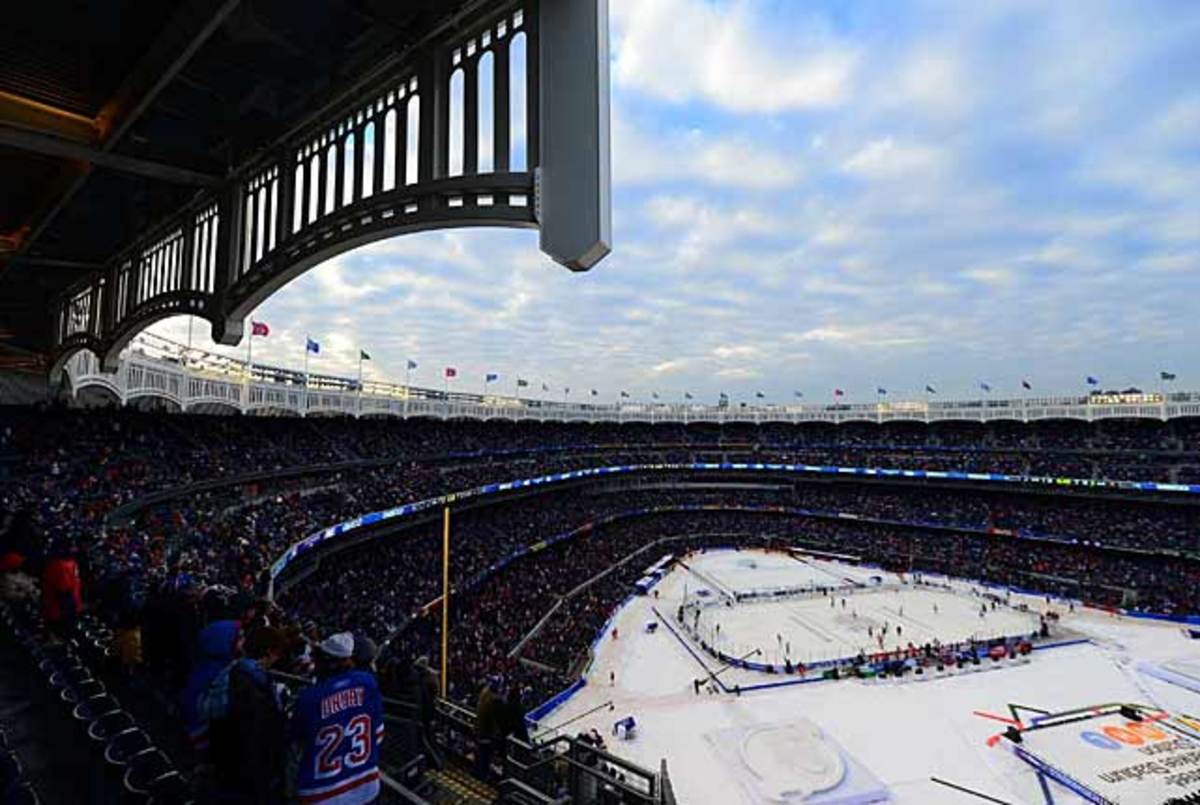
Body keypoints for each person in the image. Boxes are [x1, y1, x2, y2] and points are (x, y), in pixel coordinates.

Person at [292, 633, 385, 805]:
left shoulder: (309, 697)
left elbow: (297, 743)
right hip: (366, 788)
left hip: (319, 793)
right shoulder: (368, 682)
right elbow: (378, 737)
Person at [207, 626, 289, 803]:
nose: (277, 659)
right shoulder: (254, 683)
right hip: (245, 772)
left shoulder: (231, 671)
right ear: (269, 652)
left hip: (226, 765)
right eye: (277, 654)